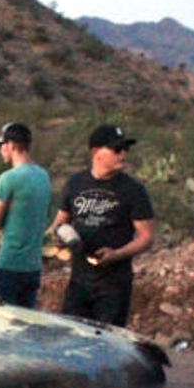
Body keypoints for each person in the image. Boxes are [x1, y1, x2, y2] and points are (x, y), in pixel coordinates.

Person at [49, 124, 154, 327]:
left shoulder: (133, 190)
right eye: (116, 149)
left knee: (106, 344)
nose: (122, 154)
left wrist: (117, 254)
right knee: (71, 338)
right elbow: (60, 222)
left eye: (125, 149)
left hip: (113, 285)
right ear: (96, 152)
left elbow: (146, 237)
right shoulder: (75, 183)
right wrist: (60, 237)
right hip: (78, 281)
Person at [0, 122, 52, 308]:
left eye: (1, 146)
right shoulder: (43, 176)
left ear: (12, 145)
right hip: (33, 267)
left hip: (9, 264)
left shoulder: (8, 178)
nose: (0, 151)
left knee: (0, 324)